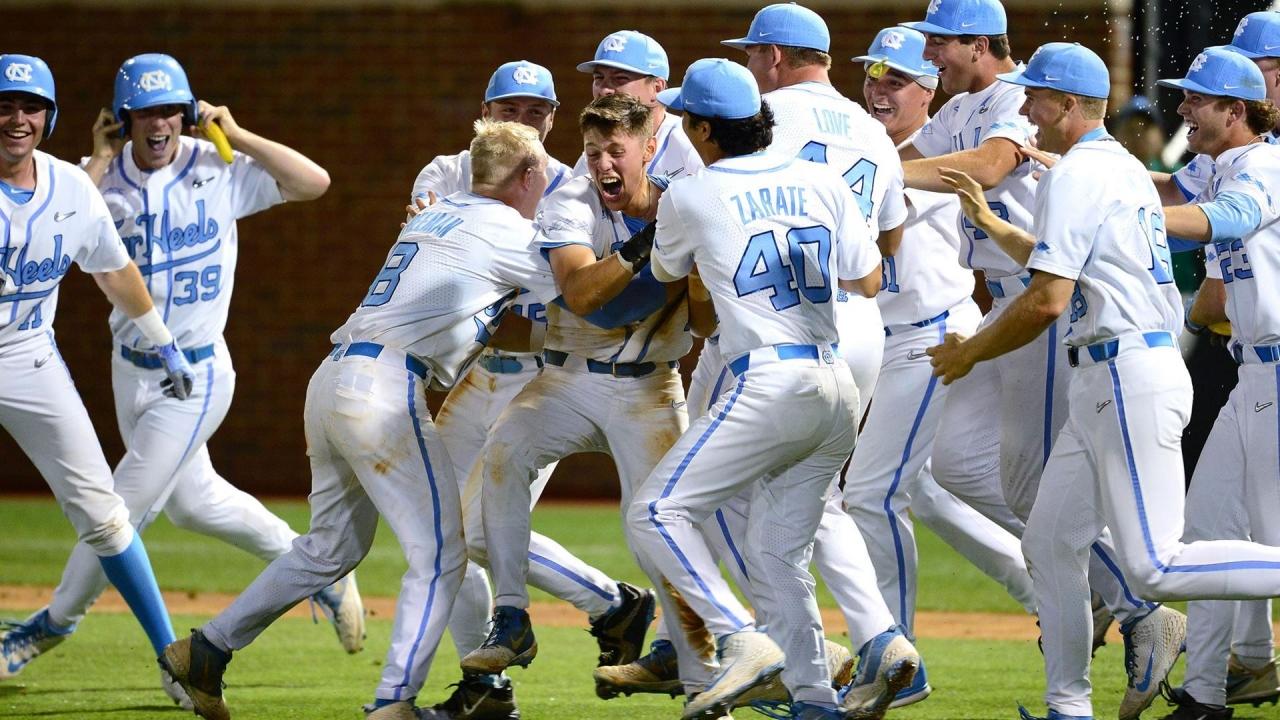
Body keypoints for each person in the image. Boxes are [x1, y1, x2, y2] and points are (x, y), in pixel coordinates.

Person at [159, 119, 647, 720]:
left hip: (334, 377)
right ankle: (393, 702)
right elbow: (585, 292)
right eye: (541, 175)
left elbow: (506, 307)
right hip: (384, 388)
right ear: (525, 176)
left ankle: (206, 651)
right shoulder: (509, 232)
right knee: (442, 555)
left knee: (329, 547)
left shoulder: (434, 215)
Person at [931, 43, 1280, 720]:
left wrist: (970, 353)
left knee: (1155, 566)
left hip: (1127, 372)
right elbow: (1064, 265)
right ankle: (1068, 706)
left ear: (1067, 104)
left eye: (1036, 96)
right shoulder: (1112, 168)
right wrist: (994, 223)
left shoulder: (1092, 173)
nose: (1024, 106)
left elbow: (1047, 301)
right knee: (1047, 541)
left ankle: (1233, 659)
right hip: (1110, 375)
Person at [0, 53, 363, 701]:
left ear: (189, 113)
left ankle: (50, 626)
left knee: (116, 510)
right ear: (124, 119)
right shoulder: (99, 178)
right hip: (131, 368)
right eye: (145, 113)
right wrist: (99, 157)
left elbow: (314, 182)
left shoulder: (215, 164)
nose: (160, 123)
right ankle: (316, 568)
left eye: (171, 110)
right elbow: (62, 214)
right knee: (195, 503)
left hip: (195, 371)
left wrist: (238, 133)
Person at [899, 2, 1183, 713]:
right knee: (958, 466)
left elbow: (994, 166)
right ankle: (1103, 600)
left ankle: (1135, 603)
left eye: (940, 40)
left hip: (1056, 313)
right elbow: (906, 159)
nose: (930, 53)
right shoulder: (970, 109)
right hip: (1020, 300)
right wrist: (862, 166)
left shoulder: (1034, 114)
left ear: (978, 43)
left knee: (1041, 497)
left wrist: (874, 174)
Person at [627, 58, 889, 720]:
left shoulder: (691, 193)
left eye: (686, 119)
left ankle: (738, 634)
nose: (682, 129)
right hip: (836, 383)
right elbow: (868, 278)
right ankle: (814, 698)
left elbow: (668, 273)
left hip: (769, 378)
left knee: (655, 512)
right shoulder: (821, 178)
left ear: (705, 129)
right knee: (776, 555)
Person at [410, 60, 656, 719]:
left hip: (544, 373)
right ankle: (493, 686)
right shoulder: (444, 173)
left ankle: (605, 607)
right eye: (508, 109)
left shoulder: (573, 186)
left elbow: (573, 297)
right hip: (479, 373)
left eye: (536, 111)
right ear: (483, 113)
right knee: (441, 534)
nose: (522, 120)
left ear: (553, 118)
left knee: (475, 530)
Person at [462, 93, 720, 703]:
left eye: (615, 151)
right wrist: (653, 249)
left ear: (649, 150)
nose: (603, 163)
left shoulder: (687, 201)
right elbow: (584, 297)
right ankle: (511, 616)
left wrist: (694, 275)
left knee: (659, 524)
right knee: (505, 451)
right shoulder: (570, 199)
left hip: (650, 386)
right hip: (567, 380)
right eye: (593, 150)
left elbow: (705, 324)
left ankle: (701, 679)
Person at [843, 25, 1039, 706]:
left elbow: (943, 183)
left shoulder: (933, 158)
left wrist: (853, 173)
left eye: (897, 79)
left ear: (928, 90)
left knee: (871, 495)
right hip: (900, 340)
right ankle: (1047, 585)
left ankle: (894, 659)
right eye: (873, 76)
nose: (879, 88)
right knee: (926, 489)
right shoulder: (905, 145)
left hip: (935, 338)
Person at [0, 53, 189, 693]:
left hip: (26, 356)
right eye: (5, 105)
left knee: (105, 516)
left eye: (31, 107)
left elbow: (112, 269)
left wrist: (163, 341)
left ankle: (175, 661)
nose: (17, 118)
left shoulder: (71, 186)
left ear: (49, 118)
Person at [1153, 14, 1280, 712]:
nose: (1183, 109)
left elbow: (1226, 219)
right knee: (1207, 533)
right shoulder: (1223, 163)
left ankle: (1241, 668)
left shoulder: (1265, 165)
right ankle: (1203, 695)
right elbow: (1168, 192)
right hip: (1252, 374)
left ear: (1235, 110)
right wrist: (1075, 173)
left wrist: (1129, 218)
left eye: (1196, 99)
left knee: (1274, 545)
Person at [572, 30, 702, 180]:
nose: (604, 90)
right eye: (599, 78)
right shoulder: (592, 155)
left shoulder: (690, 145)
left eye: (620, 78)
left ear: (657, 88)